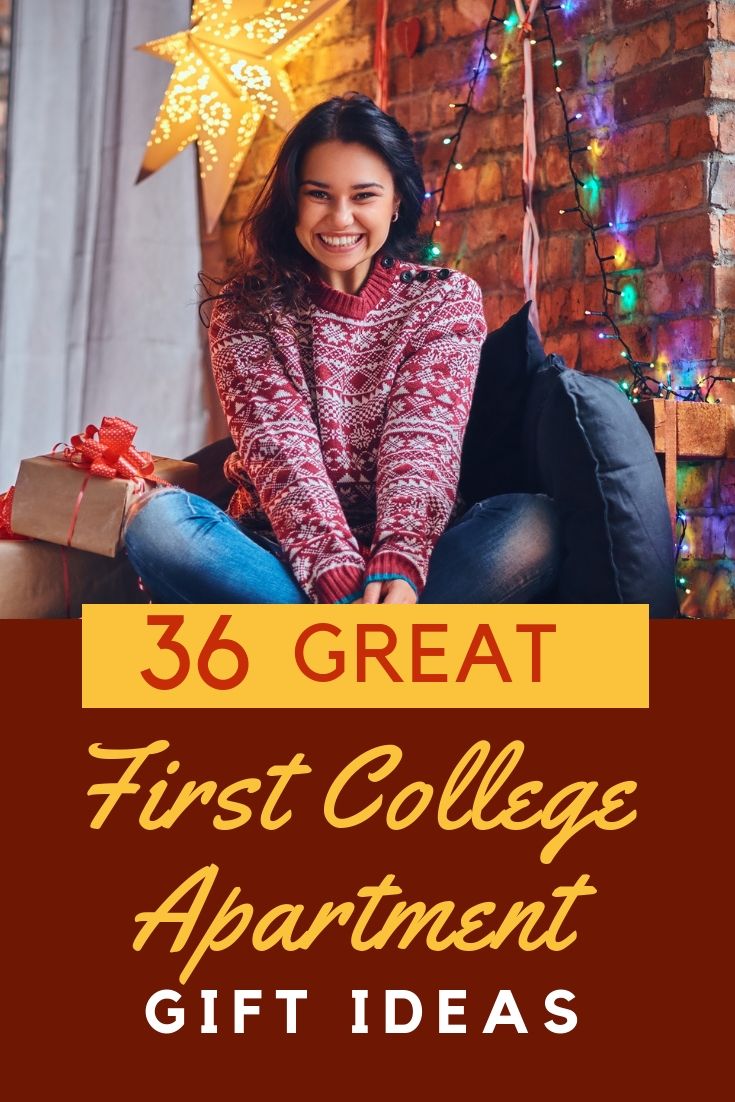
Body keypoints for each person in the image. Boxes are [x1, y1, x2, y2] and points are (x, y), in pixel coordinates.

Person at [124, 93, 561, 604]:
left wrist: (398, 559)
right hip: (277, 553)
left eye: (364, 196)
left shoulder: (445, 298)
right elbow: (283, 457)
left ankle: (324, 648)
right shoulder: (247, 309)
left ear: (396, 201)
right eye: (319, 195)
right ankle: (370, 650)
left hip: (413, 563)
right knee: (156, 521)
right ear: (293, 200)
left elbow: (422, 443)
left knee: (533, 525)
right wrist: (334, 576)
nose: (340, 217)